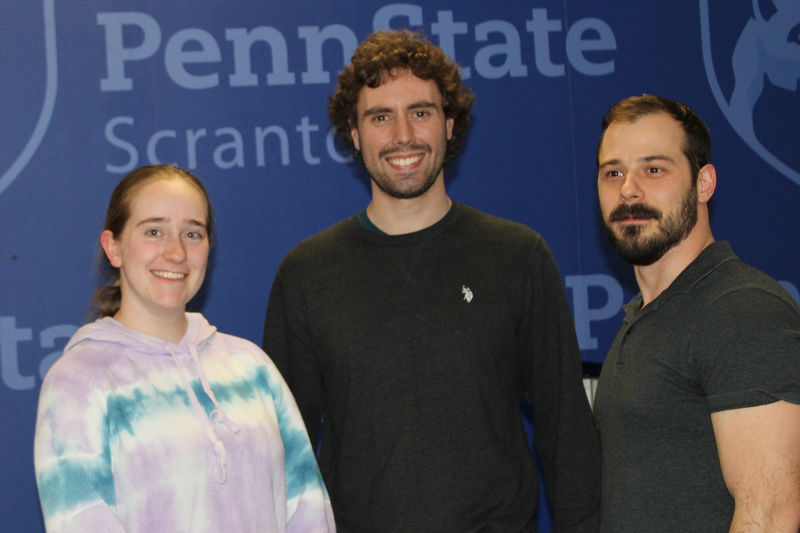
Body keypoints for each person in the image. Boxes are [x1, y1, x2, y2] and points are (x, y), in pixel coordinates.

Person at [262, 30, 600, 532]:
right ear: (354, 134)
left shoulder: (517, 256)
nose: (402, 135)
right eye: (380, 117)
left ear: (448, 123)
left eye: (419, 112)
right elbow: (280, 454)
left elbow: (566, 434)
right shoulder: (308, 273)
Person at [34, 164, 335, 533]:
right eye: (154, 231)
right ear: (114, 247)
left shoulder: (252, 366)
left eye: (192, 233)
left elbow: (307, 504)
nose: (176, 252)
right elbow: (78, 521)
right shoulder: (79, 381)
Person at [593, 94, 800, 532]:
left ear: (704, 184)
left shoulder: (742, 311)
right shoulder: (650, 315)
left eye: (654, 169)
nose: (628, 189)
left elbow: (770, 516)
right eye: (613, 172)